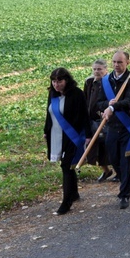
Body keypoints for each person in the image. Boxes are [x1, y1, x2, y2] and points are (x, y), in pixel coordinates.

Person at [97, 50, 130, 210]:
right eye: (114, 62)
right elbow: (99, 102)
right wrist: (105, 106)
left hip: (129, 127)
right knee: (115, 160)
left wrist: (113, 106)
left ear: (127, 63)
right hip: (112, 127)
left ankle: (124, 194)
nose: (117, 65)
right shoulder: (106, 81)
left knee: (126, 161)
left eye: (120, 62)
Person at [45, 67, 88, 215]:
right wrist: (46, 131)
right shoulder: (52, 94)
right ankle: (74, 193)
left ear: (67, 80)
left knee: (67, 166)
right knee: (66, 166)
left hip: (72, 135)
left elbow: (84, 115)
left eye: (60, 81)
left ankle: (66, 202)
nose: (56, 85)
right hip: (56, 135)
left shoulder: (77, 94)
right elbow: (49, 113)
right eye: (54, 81)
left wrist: (88, 135)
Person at [83, 59, 112, 182]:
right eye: (94, 69)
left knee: (108, 148)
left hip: (105, 119)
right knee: (94, 148)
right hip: (92, 120)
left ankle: (120, 172)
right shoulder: (89, 82)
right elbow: (86, 99)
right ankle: (106, 171)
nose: (96, 71)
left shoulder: (110, 82)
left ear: (106, 69)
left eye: (99, 69)